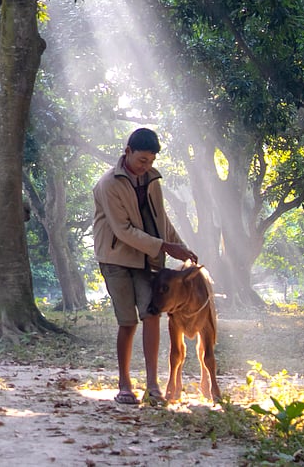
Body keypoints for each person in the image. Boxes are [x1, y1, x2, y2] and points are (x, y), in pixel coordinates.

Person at [93, 127, 198, 404]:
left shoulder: (152, 180)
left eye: (151, 161)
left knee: (152, 314)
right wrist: (165, 247)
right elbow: (123, 230)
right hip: (115, 259)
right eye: (142, 160)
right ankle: (124, 384)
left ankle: (153, 386)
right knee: (127, 322)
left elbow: (160, 219)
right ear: (127, 152)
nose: (146, 166)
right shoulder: (108, 184)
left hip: (147, 259)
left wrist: (180, 247)